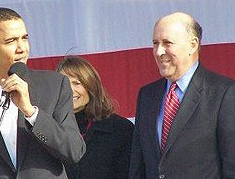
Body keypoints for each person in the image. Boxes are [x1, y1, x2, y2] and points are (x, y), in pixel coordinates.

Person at [0, 7, 86, 179]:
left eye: (24, 38)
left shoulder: (54, 85)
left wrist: (31, 112)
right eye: (10, 41)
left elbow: (74, 151)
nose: (22, 48)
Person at [129, 12, 235, 179]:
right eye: (155, 43)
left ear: (193, 45)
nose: (158, 52)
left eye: (167, 43)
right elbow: (138, 163)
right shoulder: (147, 95)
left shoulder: (224, 93)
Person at [56, 55, 133, 179]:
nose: (70, 90)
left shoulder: (121, 129)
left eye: (77, 83)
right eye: (63, 83)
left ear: (91, 86)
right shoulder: (48, 130)